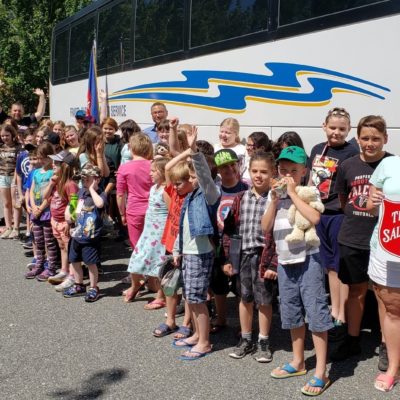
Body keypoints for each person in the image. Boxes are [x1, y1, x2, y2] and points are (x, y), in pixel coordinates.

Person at [262, 146, 332, 396]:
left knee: (316, 312)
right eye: (283, 170)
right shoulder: (274, 196)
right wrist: (273, 201)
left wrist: (293, 193)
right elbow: (265, 227)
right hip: (284, 261)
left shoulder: (309, 192)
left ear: (304, 171)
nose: (288, 175)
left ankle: (321, 372)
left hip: (309, 259)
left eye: (294, 170)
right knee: (291, 312)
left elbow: (315, 218)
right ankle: (298, 360)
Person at [331, 115, 391, 363]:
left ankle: (387, 345)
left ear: (385, 138)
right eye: (365, 138)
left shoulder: (393, 165)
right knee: (355, 290)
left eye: (375, 138)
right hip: (353, 237)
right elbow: (343, 200)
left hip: (385, 241)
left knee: (384, 294)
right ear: (357, 139)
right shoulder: (348, 166)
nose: (370, 143)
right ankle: (352, 339)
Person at [309, 107, 359, 341]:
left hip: (339, 213)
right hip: (320, 213)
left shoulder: (352, 152)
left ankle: (342, 316)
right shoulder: (317, 149)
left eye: (341, 129)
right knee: (329, 265)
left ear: (349, 130)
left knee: (340, 265)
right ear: (324, 127)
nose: (336, 132)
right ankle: (334, 310)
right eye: (332, 127)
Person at [223, 151, 277, 363]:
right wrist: (228, 259)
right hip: (244, 255)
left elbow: (279, 235)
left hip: (263, 256)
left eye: (264, 171)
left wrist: (274, 263)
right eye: (254, 171)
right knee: (244, 297)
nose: (258, 175)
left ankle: (264, 340)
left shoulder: (275, 199)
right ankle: (245, 338)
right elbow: (229, 231)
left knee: (264, 300)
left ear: (272, 173)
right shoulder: (240, 198)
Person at [191, 147, 248, 333]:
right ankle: (221, 319)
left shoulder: (247, 189)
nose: (229, 169)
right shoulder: (215, 191)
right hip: (218, 244)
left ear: (238, 164)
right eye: (224, 166)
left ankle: (244, 325)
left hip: (241, 244)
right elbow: (202, 177)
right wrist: (194, 152)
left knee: (241, 287)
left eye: (232, 164)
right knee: (218, 285)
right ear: (218, 170)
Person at [172, 149, 218, 360]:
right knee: (191, 297)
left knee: (198, 299)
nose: (190, 180)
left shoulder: (208, 195)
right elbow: (183, 227)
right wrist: (177, 249)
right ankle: (198, 334)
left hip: (200, 254)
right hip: (189, 253)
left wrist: (196, 154)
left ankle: (204, 342)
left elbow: (205, 178)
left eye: (193, 176)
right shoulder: (190, 197)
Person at [366, 155, 400, 392]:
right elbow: (370, 207)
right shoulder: (389, 164)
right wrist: (374, 202)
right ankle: (393, 368)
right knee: (393, 310)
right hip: (388, 248)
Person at [126, 158, 169, 309]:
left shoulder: (166, 190)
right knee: (137, 258)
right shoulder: (153, 188)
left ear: (163, 172)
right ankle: (135, 284)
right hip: (148, 231)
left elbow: (172, 212)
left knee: (160, 264)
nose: (150, 173)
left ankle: (161, 296)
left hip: (160, 233)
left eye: (153, 171)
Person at [63, 164, 107, 302]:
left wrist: (92, 189)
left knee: (90, 263)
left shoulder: (100, 194)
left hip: (90, 237)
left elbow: (100, 204)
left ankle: (93, 287)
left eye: (87, 179)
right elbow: (74, 207)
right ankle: (79, 284)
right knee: (74, 260)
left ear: (96, 179)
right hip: (77, 234)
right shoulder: (81, 192)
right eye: (82, 179)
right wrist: (69, 215)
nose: (84, 182)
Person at [24, 142, 59, 281]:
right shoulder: (36, 172)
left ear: (50, 157)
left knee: (49, 241)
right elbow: (32, 190)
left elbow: (51, 194)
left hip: (46, 211)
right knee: (38, 240)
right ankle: (39, 264)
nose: (41, 160)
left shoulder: (53, 173)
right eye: (40, 157)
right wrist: (33, 206)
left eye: (44, 157)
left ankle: (51, 267)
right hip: (36, 211)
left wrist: (41, 207)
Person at [45, 150, 79, 290]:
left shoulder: (70, 184)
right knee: (62, 246)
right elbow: (45, 197)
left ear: (65, 166)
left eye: (57, 163)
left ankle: (72, 275)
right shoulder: (56, 181)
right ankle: (64, 270)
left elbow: (74, 204)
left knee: (69, 248)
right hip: (55, 221)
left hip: (65, 223)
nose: (53, 165)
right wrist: (51, 184)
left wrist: (70, 222)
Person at [116, 133, 153, 256]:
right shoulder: (154, 165)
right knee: (153, 244)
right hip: (153, 209)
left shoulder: (124, 168)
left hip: (134, 210)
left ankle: (139, 268)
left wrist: (122, 213)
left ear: (131, 148)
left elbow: (120, 194)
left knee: (136, 246)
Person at [0, 124, 21, 239]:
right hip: (3, 177)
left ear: (12, 135)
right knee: (6, 203)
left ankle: (16, 228)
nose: (5, 138)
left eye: (7, 135)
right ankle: (8, 227)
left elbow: (19, 164)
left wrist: (16, 178)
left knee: (15, 203)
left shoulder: (18, 147)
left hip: (14, 178)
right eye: (2, 136)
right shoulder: (1, 147)